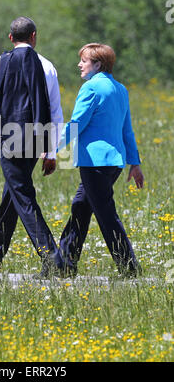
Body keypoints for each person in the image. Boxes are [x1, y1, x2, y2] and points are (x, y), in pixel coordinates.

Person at [0, 16, 64, 278]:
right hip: (37, 140)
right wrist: (51, 151)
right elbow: (55, 111)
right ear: (35, 36)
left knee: (22, 197)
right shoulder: (47, 66)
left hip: (11, 138)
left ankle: (53, 258)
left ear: (11, 38)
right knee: (12, 196)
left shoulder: (3, 61)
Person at [57, 43, 144, 278]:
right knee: (81, 209)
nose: (79, 65)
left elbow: (76, 124)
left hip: (93, 163)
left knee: (106, 214)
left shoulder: (91, 88)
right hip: (113, 163)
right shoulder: (120, 89)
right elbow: (127, 130)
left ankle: (129, 268)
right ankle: (63, 265)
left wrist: (50, 148)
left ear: (97, 64)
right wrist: (134, 163)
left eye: (83, 61)